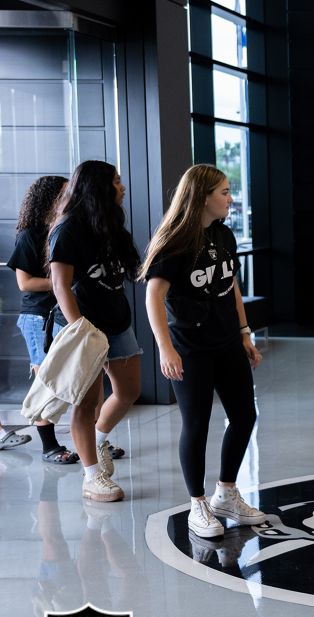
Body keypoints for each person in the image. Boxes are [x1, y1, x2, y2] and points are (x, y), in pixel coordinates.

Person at [139, 164, 265, 538]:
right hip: (190, 348)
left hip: (227, 341)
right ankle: (198, 503)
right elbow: (153, 296)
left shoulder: (224, 235)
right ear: (202, 197)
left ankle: (226, 493)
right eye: (225, 192)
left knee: (244, 417)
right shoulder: (174, 240)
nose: (231, 198)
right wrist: (165, 348)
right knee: (197, 424)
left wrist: (244, 332)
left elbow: (232, 285)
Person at [48, 160, 143, 503]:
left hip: (117, 321)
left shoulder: (108, 222)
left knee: (129, 390)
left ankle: (99, 439)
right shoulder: (67, 229)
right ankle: (91, 477)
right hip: (83, 326)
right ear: (98, 187)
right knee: (87, 402)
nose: (123, 186)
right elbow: (60, 284)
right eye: (117, 181)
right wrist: (79, 332)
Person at [7, 175, 76, 463]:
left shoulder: (62, 230)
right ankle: (50, 447)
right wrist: (64, 283)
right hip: (38, 318)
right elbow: (24, 283)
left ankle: (94, 440)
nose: (69, 198)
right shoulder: (30, 235)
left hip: (61, 313)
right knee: (45, 382)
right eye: (64, 193)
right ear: (48, 199)